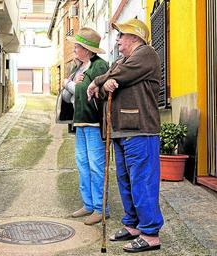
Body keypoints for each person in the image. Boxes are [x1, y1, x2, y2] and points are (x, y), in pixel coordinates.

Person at [87, 18, 163, 253]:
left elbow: (120, 74)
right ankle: (133, 225)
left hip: (141, 129)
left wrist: (98, 81)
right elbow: (112, 77)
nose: (118, 40)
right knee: (126, 181)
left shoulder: (146, 53)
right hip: (121, 130)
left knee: (142, 181)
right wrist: (103, 85)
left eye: (121, 36)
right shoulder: (122, 61)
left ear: (135, 37)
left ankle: (150, 233)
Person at [66, 28, 110, 225]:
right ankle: (89, 204)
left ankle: (101, 209)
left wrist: (72, 84)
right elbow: (70, 94)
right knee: (82, 164)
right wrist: (73, 84)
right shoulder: (79, 68)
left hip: (94, 123)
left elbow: (85, 91)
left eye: (78, 46)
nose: (74, 48)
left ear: (87, 49)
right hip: (81, 122)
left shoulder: (99, 66)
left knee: (96, 166)